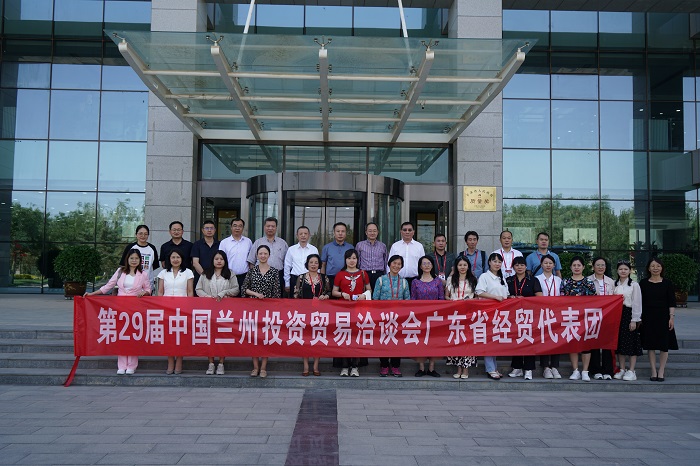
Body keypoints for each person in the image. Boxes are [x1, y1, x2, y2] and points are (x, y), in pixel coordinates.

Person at [84, 249, 151, 375]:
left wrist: (145, 292)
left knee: (133, 336)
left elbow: (148, 289)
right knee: (122, 336)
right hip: (120, 308)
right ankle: (121, 365)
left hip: (135, 310)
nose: (134, 260)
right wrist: (92, 294)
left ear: (140, 260)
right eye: (131, 258)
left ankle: (131, 365)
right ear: (127, 259)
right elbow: (108, 286)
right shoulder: (120, 272)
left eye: (136, 258)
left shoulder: (143, 274)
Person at [195, 250, 239, 375]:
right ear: (212, 260)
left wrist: (224, 293)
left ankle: (221, 363)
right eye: (216, 259)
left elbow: (236, 289)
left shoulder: (230, 273)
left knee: (222, 337)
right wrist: (207, 297)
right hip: (208, 310)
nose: (219, 261)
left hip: (225, 312)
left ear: (225, 261)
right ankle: (210, 363)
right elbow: (198, 289)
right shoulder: (206, 273)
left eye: (221, 259)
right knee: (210, 337)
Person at [242, 245, 281, 378]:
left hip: (268, 310)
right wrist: (256, 294)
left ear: (269, 255)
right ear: (257, 256)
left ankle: (263, 367)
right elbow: (244, 289)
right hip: (253, 308)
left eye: (265, 253)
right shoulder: (252, 271)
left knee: (265, 338)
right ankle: (255, 367)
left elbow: (277, 292)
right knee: (254, 338)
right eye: (260, 254)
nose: (263, 256)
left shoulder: (274, 271)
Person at [331, 249, 371, 377]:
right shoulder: (340, 274)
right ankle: (344, 366)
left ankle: (355, 366)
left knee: (356, 337)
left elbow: (369, 289)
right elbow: (334, 292)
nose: (351, 261)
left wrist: (363, 295)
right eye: (349, 258)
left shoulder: (363, 273)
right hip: (343, 309)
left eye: (354, 258)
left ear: (358, 259)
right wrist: (342, 294)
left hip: (359, 309)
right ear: (345, 260)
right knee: (344, 337)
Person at [640, 257, 678, 382]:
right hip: (648, 317)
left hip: (663, 317)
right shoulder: (643, 283)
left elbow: (671, 302)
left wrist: (671, 317)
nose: (655, 268)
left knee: (664, 345)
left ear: (662, 268)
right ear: (648, 268)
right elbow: (639, 302)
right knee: (650, 345)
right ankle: (653, 370)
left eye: (658, 266)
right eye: (653, 266)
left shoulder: (667, 283)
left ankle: (661, 370)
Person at [293, 253, 331, 377]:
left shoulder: (324, 277)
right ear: (307, 264)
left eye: (316, 263)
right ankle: (305, 366)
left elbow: (329, 291)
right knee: (305, 339)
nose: (313, 265)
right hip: (304, 313)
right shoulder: (301, 277)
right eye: (311, 262)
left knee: (317, 339)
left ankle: (315, 366)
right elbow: (295, 294)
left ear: (319, 265)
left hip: (319, 313)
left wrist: (325, 296)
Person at [157, 249, 194, 375]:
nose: (175, 259)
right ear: (169, 259)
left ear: (182, 259)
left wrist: (189, 308)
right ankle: (170, 361)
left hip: (182, 309)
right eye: (173, 257)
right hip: (167, 309)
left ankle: (179, 361)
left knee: (180, 336)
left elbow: (190, 292)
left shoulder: (188, 272)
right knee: (169, 337)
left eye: (178, 257)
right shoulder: (163, 273)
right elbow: (160, 292)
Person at [373, 255, 410, 377]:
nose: (396, 266)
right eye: (394, 263)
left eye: (399, 264)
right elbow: (375, 298)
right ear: (389, 264)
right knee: (383, 341)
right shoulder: (381, 280)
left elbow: (407, 301)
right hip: (383, 317)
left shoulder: (404, 282)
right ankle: (384, 365)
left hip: (398, 318)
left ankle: (395, 365)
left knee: (397, 341)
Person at [560, 256, 597, 381]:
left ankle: (585, 371)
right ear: (571, 267)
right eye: (574, 265)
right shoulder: (565, 282)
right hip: (570, 317)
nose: (576, 267)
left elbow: (595, 301)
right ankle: (575, 370)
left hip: (586, 317)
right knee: (573, 344)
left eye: (579, 265)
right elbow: (561, 300)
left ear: (583, 267)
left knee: (586, 344)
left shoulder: (589, 282)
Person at [506, 256, 542, 380]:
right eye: (516, 265)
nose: (519, 267)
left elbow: (539, 297)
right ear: (513, 267)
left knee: (528, 341)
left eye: (522, 265)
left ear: (526, 266)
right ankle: (517, 368)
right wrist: (510, 298)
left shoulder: (533, 280)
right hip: (513, 316)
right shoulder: (509, 280)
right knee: (516, 340)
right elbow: (504, 295)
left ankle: (528, 369)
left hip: (529, 315)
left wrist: (525, 299)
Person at [475, 252, 508, 380]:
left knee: (494, 341)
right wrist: (495, 297)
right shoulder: (484, 276)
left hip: (500, 314)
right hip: (488, 313)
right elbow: (479, 292)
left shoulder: (502, 277)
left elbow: (505, 294)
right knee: (488, 340)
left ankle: (494, 367)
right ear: (489, 262)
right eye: (494, 261)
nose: (497, 264)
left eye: (499, 262)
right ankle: (490, 369)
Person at [445, 256, 478, 379]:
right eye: (460, 265)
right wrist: (453, 301)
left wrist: (470, 301)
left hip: (469, 314)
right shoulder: (451, 279)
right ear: (456, 267)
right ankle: (458, 368)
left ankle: (466, 369)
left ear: (468, 266)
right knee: (457, 340)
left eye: (465, 265)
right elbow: (446, 296)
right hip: (455, 314)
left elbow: (477, 297)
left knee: (467, 341)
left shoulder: (473, 279)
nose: (462, 267)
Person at [411, 255, 445, 378]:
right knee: (420, 341)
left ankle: (431, 367)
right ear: (420, 266)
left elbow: (441, 298)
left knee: (433, 341)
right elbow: (413, 299)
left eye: (429, 263)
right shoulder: (415, 282)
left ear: (432, 265)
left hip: (434, 317)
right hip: (419, 317)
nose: (426, 265)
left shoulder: (437, 281)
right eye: (424, 263)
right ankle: (421, 367)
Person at [613, 259, 643, 381]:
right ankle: (622, 369)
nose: (623, 271)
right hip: (617, 315)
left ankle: (631, 370)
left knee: (631, 343)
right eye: (621, 269)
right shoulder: (614, 284)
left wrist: (634, 320)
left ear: (630, 271)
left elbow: (637, 303)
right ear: (617, 271)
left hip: (629, 314)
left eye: (626, 269)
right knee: (620, 343)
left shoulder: (634, 285)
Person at [587, 257, 616, 380]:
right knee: (594, 342)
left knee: (607, 343)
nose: (600, 267)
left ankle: (607, 370)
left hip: (608, 316)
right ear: (593, 267)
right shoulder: (588, 280)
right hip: (593, 315)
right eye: (598, 265)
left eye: (603, 265)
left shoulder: (611, 281)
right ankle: (595, 370)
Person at [536, 254, 563, 379]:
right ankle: (545, 367)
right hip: (542, 313)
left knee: (556, 339)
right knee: (544, 339)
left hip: (556, 312)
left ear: (554, 265)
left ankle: (555, 366)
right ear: (541, 264)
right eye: (545, 263)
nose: (548, 265)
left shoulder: (558, 280)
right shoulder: (537, 279)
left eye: (550, 263)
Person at [247, 217, 288, 295]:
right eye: (268, 226)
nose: (270, 228)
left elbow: (287, 263)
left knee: (277, 298)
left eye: (273, 226)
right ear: (264, 227)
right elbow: (251, 261)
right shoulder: (258, 242)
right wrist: (255, 275)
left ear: (276, 227)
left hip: (278, 276)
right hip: (260, 276)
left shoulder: (283, 243)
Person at [119, 224, 159, 293]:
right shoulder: (130, 247)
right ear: (136, 234)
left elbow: (154, 266)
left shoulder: (152, 248)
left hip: (147, 285)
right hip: (130, 285)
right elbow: (123, 265)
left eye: (145, 234)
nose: (143, 236)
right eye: (140, 233)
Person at [219, 217, 253, 291]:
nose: (237, 228)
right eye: (235, 226)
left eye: (240, 226)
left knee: (243, 296)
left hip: (245, 277)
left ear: (243, 228)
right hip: (228, 276)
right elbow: (220, 259)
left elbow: (251, 259)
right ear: (231, 227)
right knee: (229, 297)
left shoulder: (248, 242)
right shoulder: (224, 242)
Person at [284, 225, 319, 297]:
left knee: (309, 300)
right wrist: (287, 283)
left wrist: (318, 279)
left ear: (309, 235)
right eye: (301, 234)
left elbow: (317, 265)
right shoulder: (291, 249)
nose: (303, 235)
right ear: (297, 235)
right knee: (295, 300)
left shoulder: (314, 249)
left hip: (309, 279)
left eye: (305, 234)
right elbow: (287, 266)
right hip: (295, 278)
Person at [387, 221, 425, 287]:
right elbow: (389, 264)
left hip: (416, 280)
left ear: (413, 232)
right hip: (398, 280)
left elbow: (423, 263)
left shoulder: (419, 246)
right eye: (405, 230)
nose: (407, 232)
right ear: (401, 232)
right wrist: (389, 278)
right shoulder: (395, 246)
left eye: (410, 230)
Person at [355, 222, 388, 291]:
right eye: (370, 231)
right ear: (366, 232)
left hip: (379, 275)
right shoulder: (360, 245)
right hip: (364, 275)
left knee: (378, 295)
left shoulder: (382, 246)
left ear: (378, 232)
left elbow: (385, 262)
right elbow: (357, 262)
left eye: (374, 231)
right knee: (365, 295)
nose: (372, 233)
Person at [321, 222, 353, 287]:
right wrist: (323, 279)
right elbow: (323, 264)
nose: (340, 233)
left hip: (347, 277)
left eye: (343, 231)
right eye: (338, 231)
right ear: (334, 233)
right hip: (331, 278)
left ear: (346, 233)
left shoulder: (350, 247)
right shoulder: (327, 247)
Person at [191, 219, 220, 288]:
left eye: (211, 228)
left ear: (215, 230)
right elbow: (195, 263)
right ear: (202, 230)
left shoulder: (220, 244)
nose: (209, 230)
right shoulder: (197, 244)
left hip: (217, 278)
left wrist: (216, 276)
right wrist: (205, 276)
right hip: (200, 277)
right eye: (207, 228)